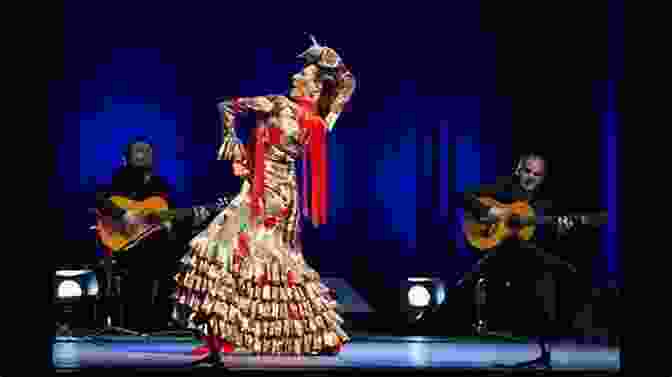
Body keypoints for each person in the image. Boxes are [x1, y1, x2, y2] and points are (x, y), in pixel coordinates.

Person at [173, 35, 355, 365]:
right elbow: (346, 85)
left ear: (313, 88)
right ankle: (310, 332)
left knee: (222, 253)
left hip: (262, 196)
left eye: (302, 74)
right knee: (274, 263)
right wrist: (329, 59)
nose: (294, 76)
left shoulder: (278, 104)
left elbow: (225, 106)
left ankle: (222, 341)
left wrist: (232, 141)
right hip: (283, 196)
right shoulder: (321, 121)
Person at [459, 153, 577, 369]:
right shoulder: (503, 189)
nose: (531, 177)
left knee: (553, 271)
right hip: (497, 255)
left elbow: (547, 240)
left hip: (525, 260)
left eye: (537, 174)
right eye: (527, 171)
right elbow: (464, 196)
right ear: (518, 170)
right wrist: (488, 210)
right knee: (520, 248)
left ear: (543, 177)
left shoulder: (545, 204)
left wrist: (561, 231)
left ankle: (544, 350)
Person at [95, 137, 215, 333]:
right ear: (125, 159)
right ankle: (141, 322)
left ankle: (163, 320)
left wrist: (193, 217)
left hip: (156, 244)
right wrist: (124, 214)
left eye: (147, 152)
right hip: (126, 243)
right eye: (138, 152)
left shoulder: (161, 185)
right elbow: (101, 200)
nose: (143, 156)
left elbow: (170, 215)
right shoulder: (118, 181)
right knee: (153, 256)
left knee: (182, 249)